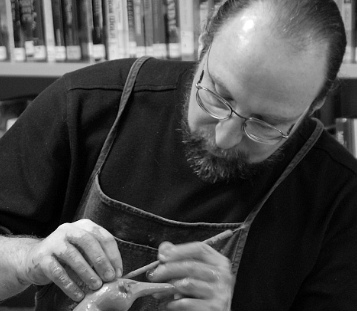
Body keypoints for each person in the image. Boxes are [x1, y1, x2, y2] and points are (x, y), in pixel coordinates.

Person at [0, 0, 356, 310]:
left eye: (266, 124)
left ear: (315, 106)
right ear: (204, 42)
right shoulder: (85, 103)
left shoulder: (339, 194)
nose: (226, 137)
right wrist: (28, 259)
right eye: (218, 96)